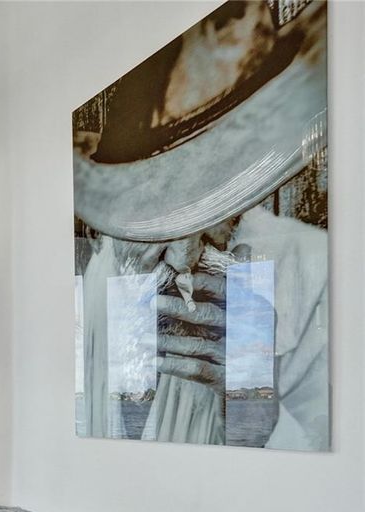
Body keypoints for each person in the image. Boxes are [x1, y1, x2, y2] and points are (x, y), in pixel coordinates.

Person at [73, 0, 328, 450]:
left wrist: (253, 411)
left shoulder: (311, 266)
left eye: (217, 213)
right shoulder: (105, 273)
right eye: (158, 220)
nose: (186, 256)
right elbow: (103, 419)